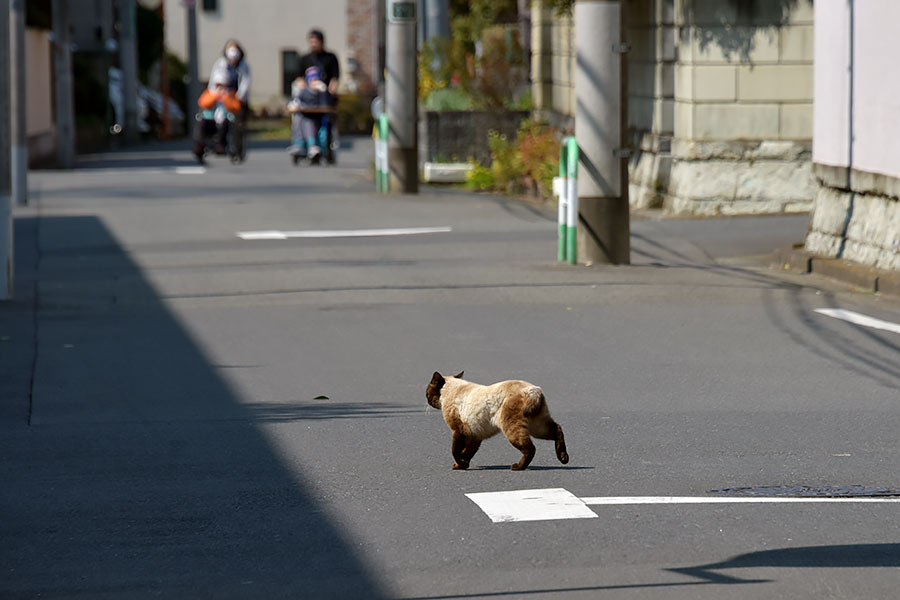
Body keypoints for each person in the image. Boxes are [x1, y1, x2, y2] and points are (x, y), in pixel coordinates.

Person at [193, 39, 250, 158]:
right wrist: (216, 93)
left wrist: (236, 97)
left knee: (229, 121)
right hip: (213, 109)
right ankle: (199, 145)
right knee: (202, 121)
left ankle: (224, 144)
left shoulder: (243, 66)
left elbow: (245, 84)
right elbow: (204, 101)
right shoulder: (220, 64)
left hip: (233, 101)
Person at [287, 66, 334, 162]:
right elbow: (295, 102)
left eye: (316, 79)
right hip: (305, 116)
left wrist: (324, 91)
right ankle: (299, 144)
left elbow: (327, 104)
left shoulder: (323, 92)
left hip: (319, 118)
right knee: (299, 120)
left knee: (311, 123)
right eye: (312, 79)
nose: (315, 81)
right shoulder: (304, 92)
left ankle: (313, 145)